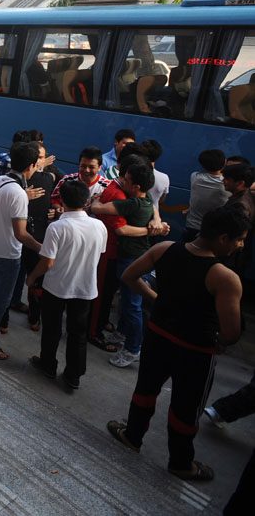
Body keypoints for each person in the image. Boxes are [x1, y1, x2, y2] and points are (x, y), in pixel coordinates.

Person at [106, 206, 247, 483]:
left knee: (145, 390)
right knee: (186, 407)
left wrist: (156, 298)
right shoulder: (225, 277)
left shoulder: (166, 249)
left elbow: (129, 276)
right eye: (239, 239)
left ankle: (132, 436)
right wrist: (218, 342)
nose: (240, 245)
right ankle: (181, 463)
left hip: (158, 337)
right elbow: (231, 333)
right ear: (222, 238)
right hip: (195, 352)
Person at [26, 180, 107, 389]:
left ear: (62, 200)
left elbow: (48, 262)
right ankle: (73, 376)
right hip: (85, 289)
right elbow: (99, 254)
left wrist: (32, 277)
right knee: (78, 333)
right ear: (87, 201)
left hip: (57, 288)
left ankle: (48, 364)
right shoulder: (99, 226)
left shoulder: (57, 227)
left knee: (52, 329)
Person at [91, 162, 169, 369]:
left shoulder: (131, 204)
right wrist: (155, 226)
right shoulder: (147, 200)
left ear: (135, 186)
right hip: (140, 254)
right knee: (129, 302)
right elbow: (154, 207)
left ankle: (134, 348)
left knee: (132, 304)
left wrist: (96, 199)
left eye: (125, 179)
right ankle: (123, 334)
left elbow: (99, 209)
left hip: (130, 258)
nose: (121, 181)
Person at [0, 141, 43, 360]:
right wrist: (43, 248)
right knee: (0, 300)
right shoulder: (19, 193)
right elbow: (21, 234)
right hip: (7, 255)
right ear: (31, 165)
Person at [5, 140, 56, 332]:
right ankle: (6, 315)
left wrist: (56, 211)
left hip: (37, 237)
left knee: (35, 282)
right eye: (36, 158)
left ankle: (34, 317)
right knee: (13, 279)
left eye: (42, 157)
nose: (38, 162)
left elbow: (58, 201)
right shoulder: (15, 183)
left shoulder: (49, 178)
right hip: (18, 239)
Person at [183, 149, 230, 243]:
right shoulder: (226, 184)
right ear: (225, 162)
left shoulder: (195, 177)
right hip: (214, 230)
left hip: (192, 226)